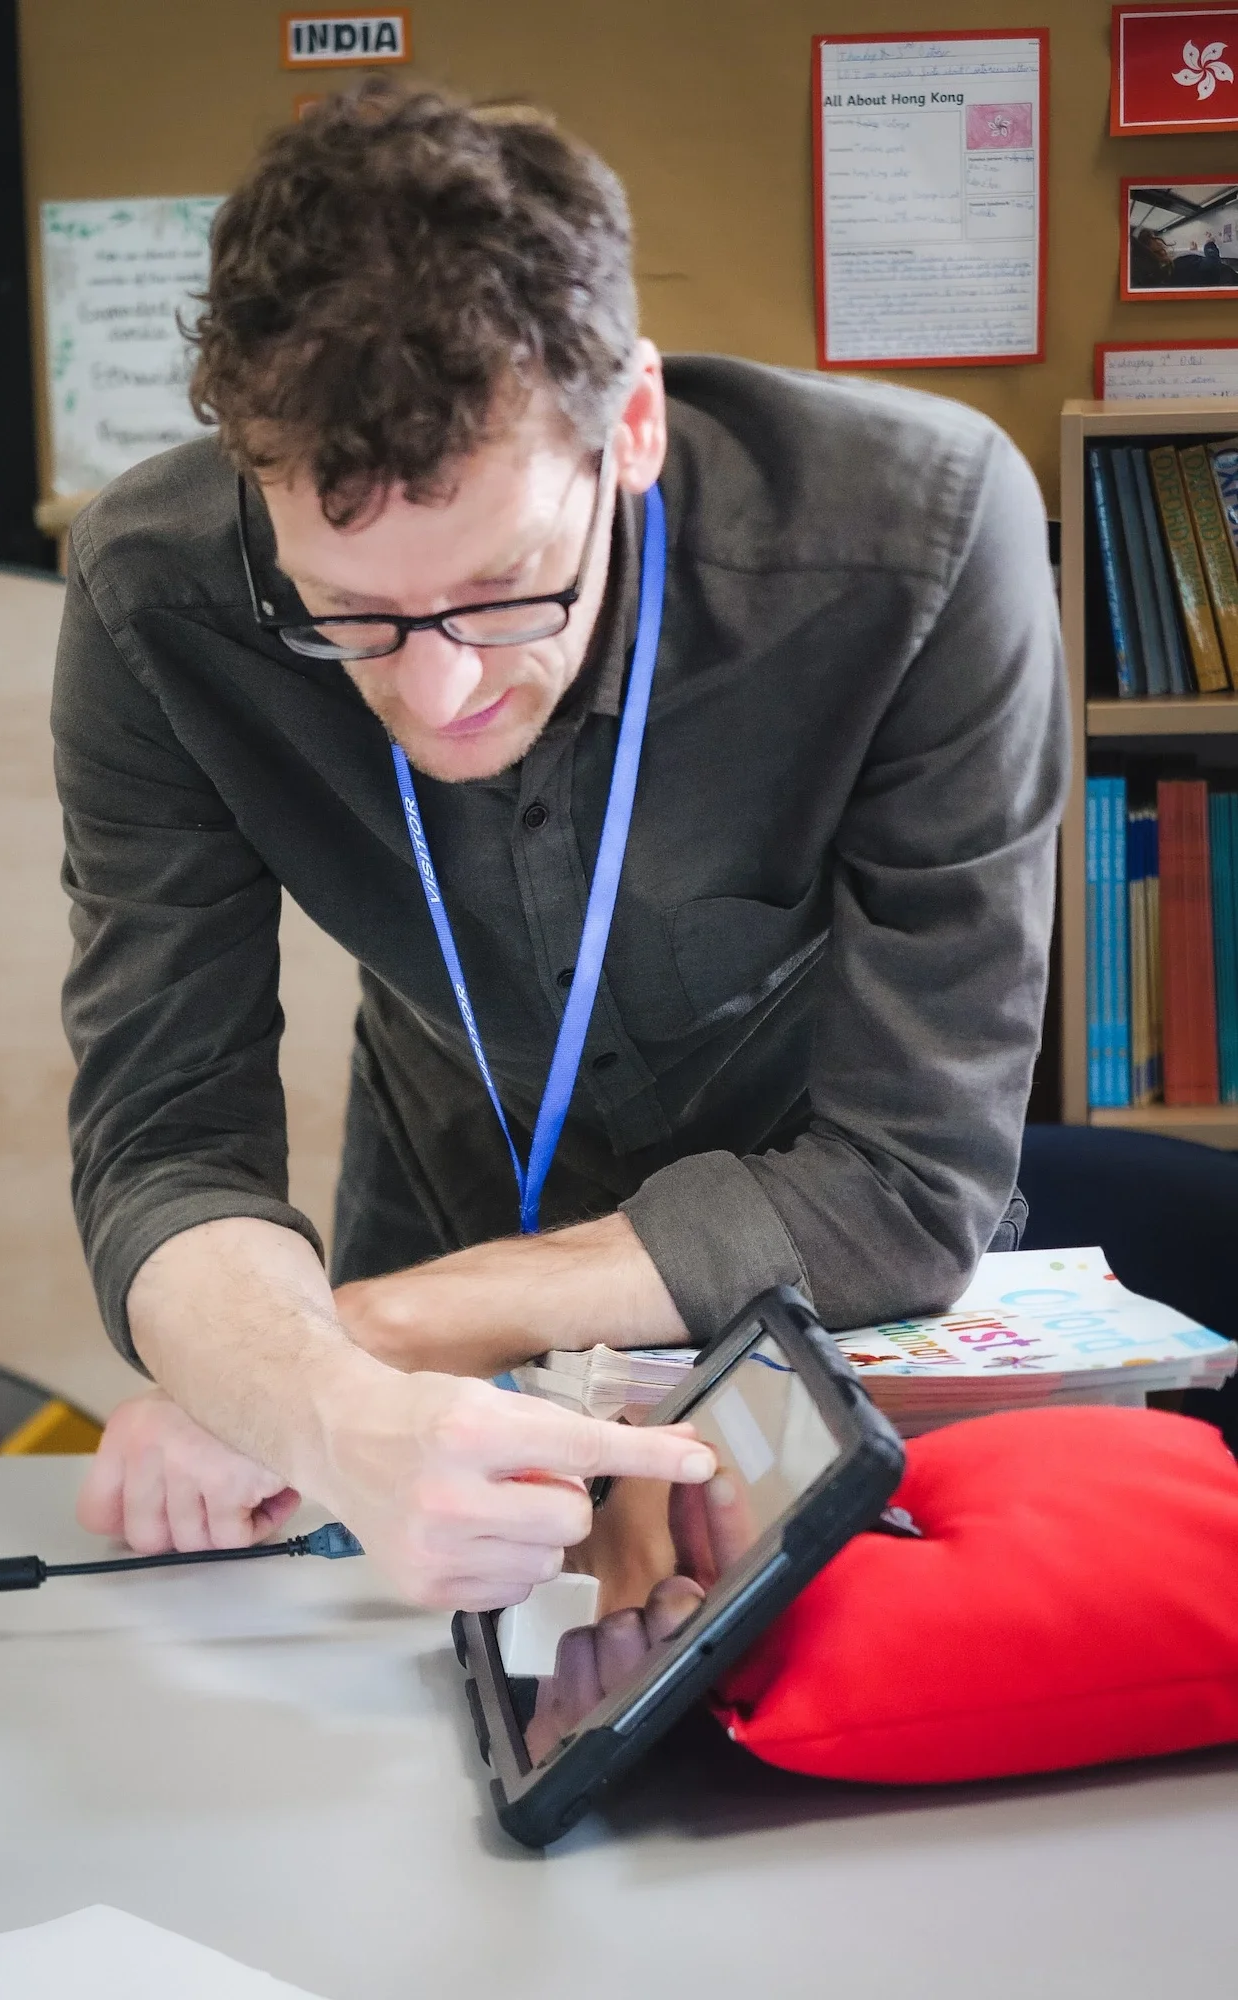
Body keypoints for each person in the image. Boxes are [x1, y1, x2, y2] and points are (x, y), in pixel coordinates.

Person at [55, 81, 1068, 1609]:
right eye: (352, 618)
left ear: (634, 426)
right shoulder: (157, 601)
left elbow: (904, 1184)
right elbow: (165, 1143)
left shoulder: (912, 547)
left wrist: (344, 1347)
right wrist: (326, 1419)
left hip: (824, 1250)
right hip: (451, 1157)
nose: (441, 687)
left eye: (505, 587)